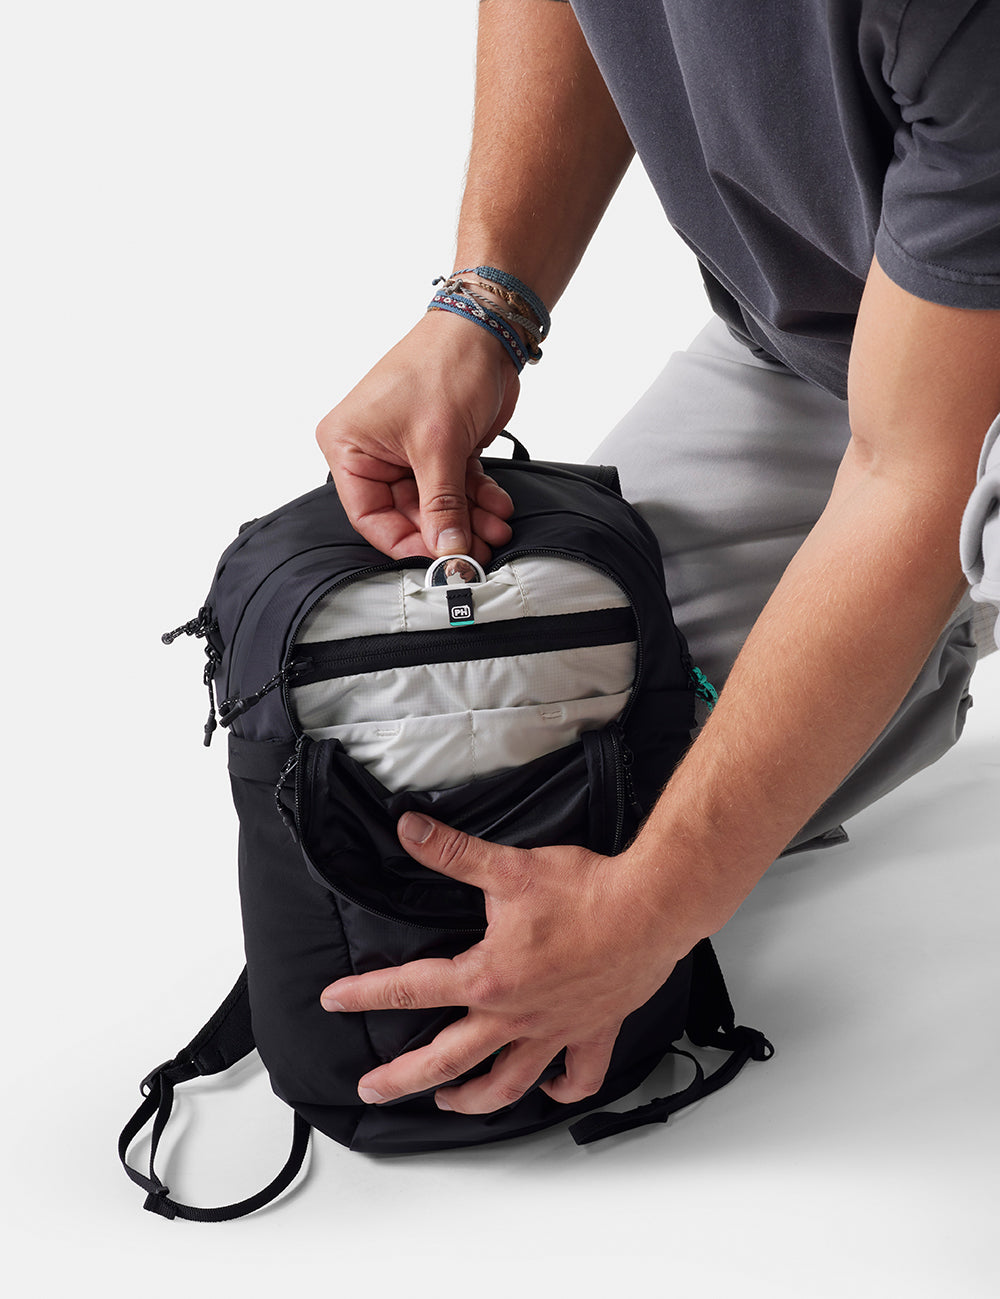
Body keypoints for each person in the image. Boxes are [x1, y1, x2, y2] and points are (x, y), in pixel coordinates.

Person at [313, 1, 1000, 1116]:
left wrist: (648, 912)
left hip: (934, 430)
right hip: (844, 362)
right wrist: (484, 304)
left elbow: (918, 481)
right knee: (501, 811)